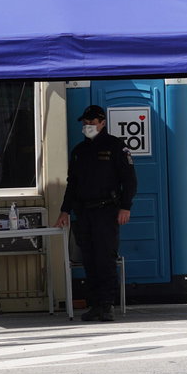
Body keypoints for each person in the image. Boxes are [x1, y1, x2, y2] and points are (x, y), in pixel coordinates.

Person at [55, 105, 138, 322]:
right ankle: (94, 305)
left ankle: (107, 305)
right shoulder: (79, 151)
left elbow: (129, 180)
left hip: (107, 211)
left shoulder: (115, 147)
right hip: (84, 213)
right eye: (85, 124)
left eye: (92, 123)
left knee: (105, 259)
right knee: (89, 260)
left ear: (102, 123)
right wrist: (65, 210)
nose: (88, 127)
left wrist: (125, 207)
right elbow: (72, 185)